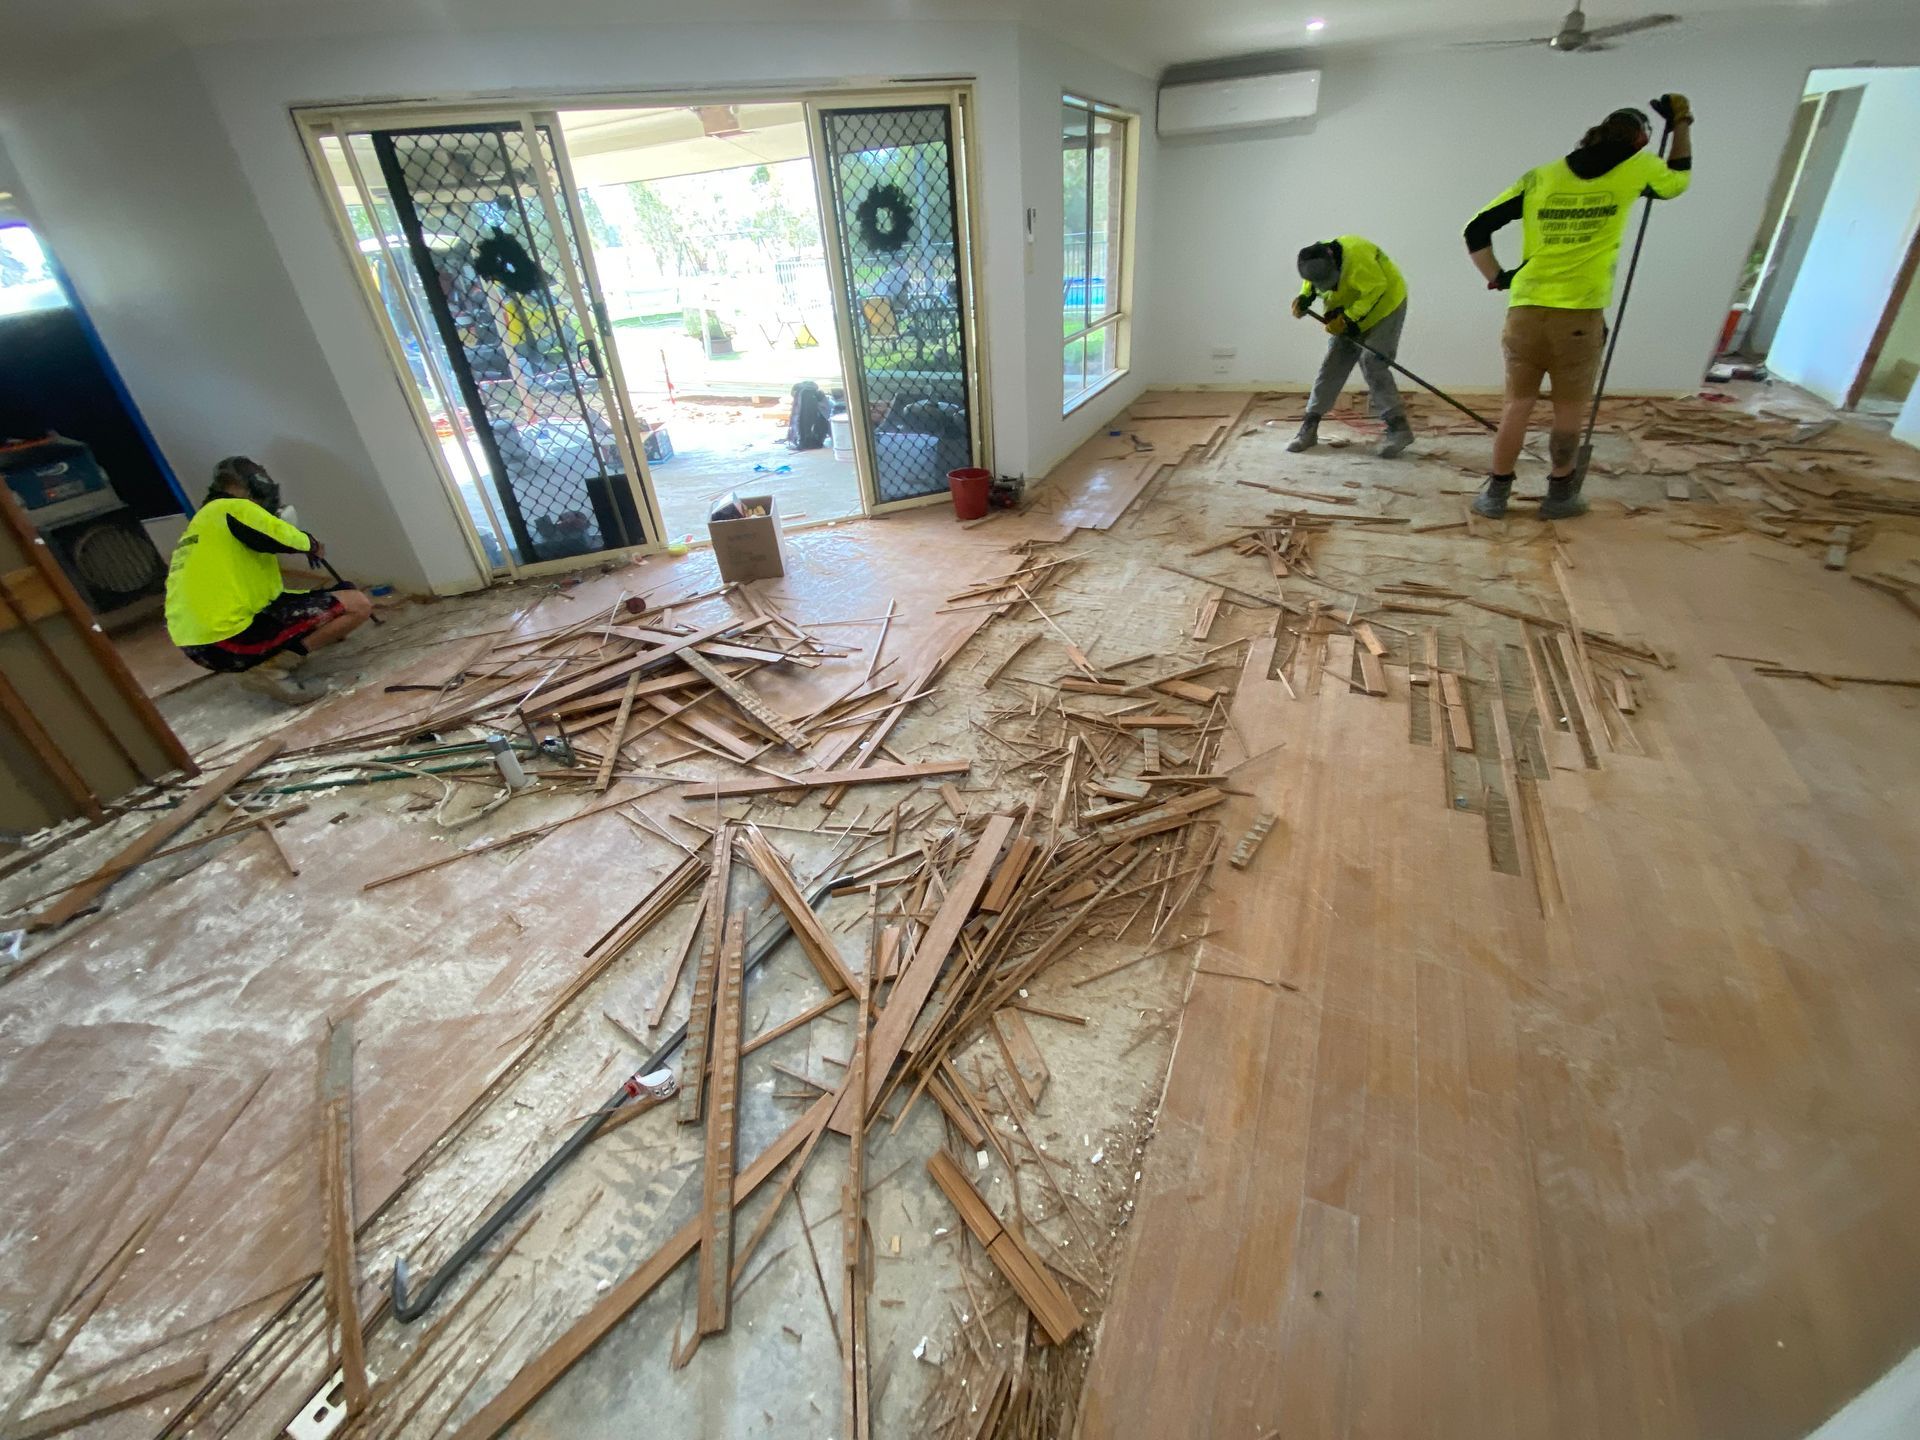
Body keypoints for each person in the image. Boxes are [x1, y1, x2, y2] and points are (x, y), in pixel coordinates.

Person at [1464, 94, 1694, 519]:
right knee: (1568, 410)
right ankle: (1560, 495)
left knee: (1517, 405)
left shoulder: (1542, 177)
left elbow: (1476, 228)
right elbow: (1678, 180)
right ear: (1640, 141)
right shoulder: (1638, 168)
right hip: (1579, 316)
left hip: (1525, 310)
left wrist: (1499, 276)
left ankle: (1495, 495)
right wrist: (1681, 124)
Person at [163, 457, 373, 703]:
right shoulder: (230, 508)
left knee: (338, 598)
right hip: (227, 639)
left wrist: (329, 599)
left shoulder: (206, 524)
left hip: (201, 643)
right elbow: (280, 536)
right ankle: (268, 670)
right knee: (357, 604)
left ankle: (276, 655)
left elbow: (271, 596)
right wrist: (311, 544)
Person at [1287, 236, 1414, 458]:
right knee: (1332, 363)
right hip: (1349, 306)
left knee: (1372, 361)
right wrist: (1305, 298)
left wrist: (1348, 318)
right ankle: (1310, 425)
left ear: (1335, 265)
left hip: (1385, 305)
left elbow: (1376, 290)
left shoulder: (1358, 257)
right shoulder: (1315, 258)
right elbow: (1311, 282)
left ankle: (1399, 428)